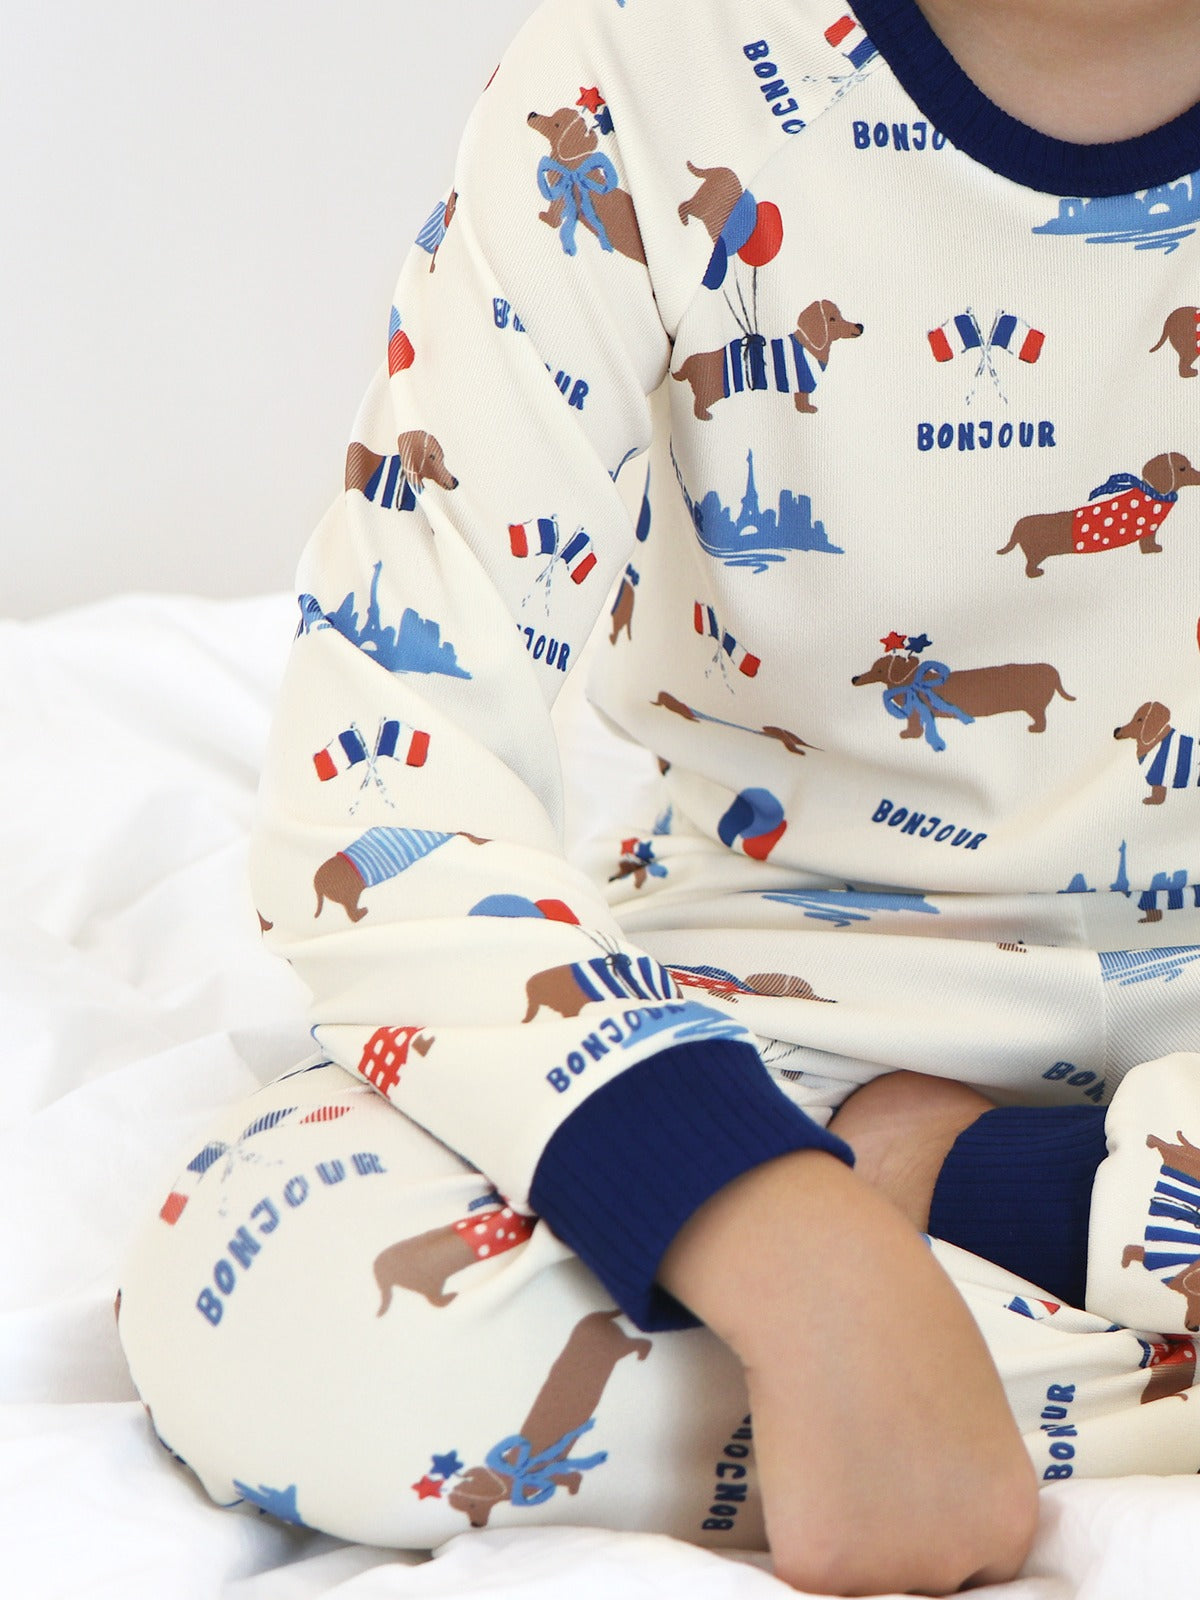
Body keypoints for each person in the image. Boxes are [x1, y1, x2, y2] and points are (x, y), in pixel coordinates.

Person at [116, 0, 1200, 1591]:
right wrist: (790, 1246)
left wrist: (978, 1202)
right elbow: (384, 775)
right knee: (281, 1293)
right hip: (794, 990)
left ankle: (968, 1243)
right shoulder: (637, 68)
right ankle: (931, 1333)